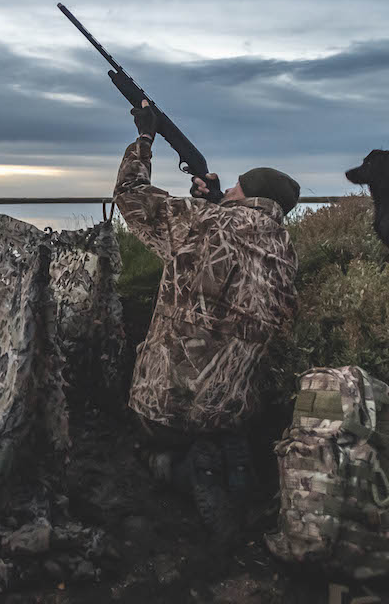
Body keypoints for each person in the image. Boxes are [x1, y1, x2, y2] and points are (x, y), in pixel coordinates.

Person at [113, 100, 300, 541]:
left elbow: (130, 195)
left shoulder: (203, 222)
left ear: (243, 193)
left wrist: (145, 136)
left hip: (164, 409)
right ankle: (228, 458)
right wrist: (215, 203)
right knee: (215, 424)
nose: (228, 188)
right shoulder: (286, 252)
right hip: (235, 410)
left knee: (151, 440)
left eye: (234, 186)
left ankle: (183, 469)